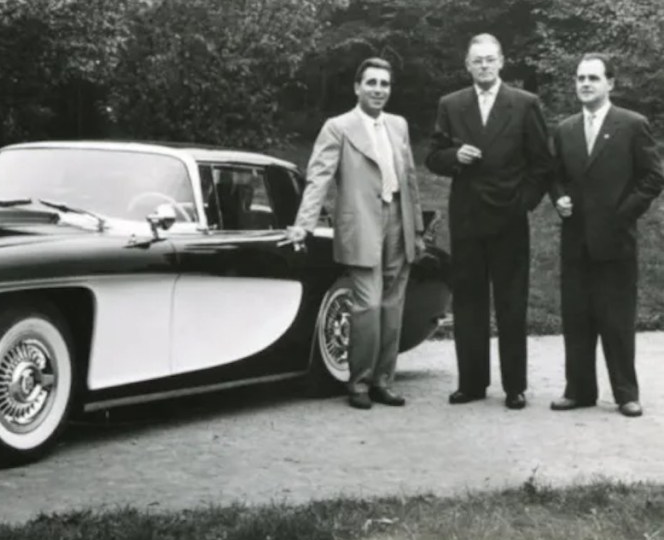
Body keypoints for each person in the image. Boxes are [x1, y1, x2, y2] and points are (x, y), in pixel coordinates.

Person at [284, 58, 427, 409]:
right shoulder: (338, 127)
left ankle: (384, 381)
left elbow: (409, 178)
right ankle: (359, 383)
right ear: (357, 87)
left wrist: (418, 228)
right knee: (368, 304)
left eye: (385, 84)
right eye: (372, 83)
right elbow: (318, 177)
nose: (379, 90)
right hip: (361, 223)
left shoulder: (398, 125)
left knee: (393, 305)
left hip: (399, 221)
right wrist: (304, 224)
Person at [426, 33, 553, 410]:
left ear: (501, 62)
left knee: (512, 303)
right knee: (468, 302)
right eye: (476, 60)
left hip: (509, 219)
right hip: (467, 218)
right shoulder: (451, 104)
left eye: (489, 59)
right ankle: (472, 383)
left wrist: (523, 204)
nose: (483, 65)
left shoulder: (524, 103)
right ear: (467, 65)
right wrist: (453, 156)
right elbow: (432, 157)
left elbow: (542, 165)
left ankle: (515, 386)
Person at [549, 54, 664, 418]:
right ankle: (579, 390)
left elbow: (653, 177)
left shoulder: (632, 125)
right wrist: (558, 197)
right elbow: (554, 174)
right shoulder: (565, 129)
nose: (585, 84)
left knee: (616, 318)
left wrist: (624, 212)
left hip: (616, 240)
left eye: (593, 78)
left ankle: (626, 394)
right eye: (580, 78)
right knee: (577, 316)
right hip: (576, 240)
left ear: (610, 83)